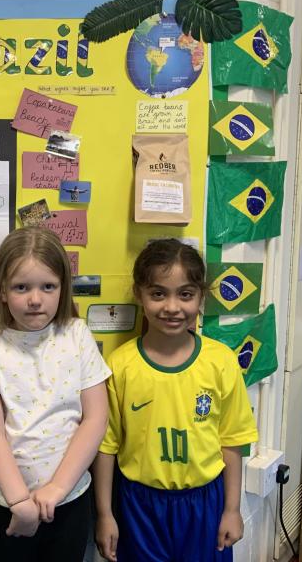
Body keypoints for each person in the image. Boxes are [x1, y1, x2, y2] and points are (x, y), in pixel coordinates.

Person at [93, 238, 258, 562]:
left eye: (185, 294)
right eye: (158, 294)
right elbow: (106, 446)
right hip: (139, 505)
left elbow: (232, 440)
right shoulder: (120, 365)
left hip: (205, 503)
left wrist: (232, 509)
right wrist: (104, 514)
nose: (172, 307)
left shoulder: (221, 361)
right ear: (139, 294)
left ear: (201, 296)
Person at [0, 227, 111, 562]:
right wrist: (20, 502)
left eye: (48, 286)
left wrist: (57, 488)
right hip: (5, 504)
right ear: (2, 291)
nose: (35, 299)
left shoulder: (77, 334)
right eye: (21, 287)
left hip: (69, 499)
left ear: (63, 288)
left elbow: (96, 418)